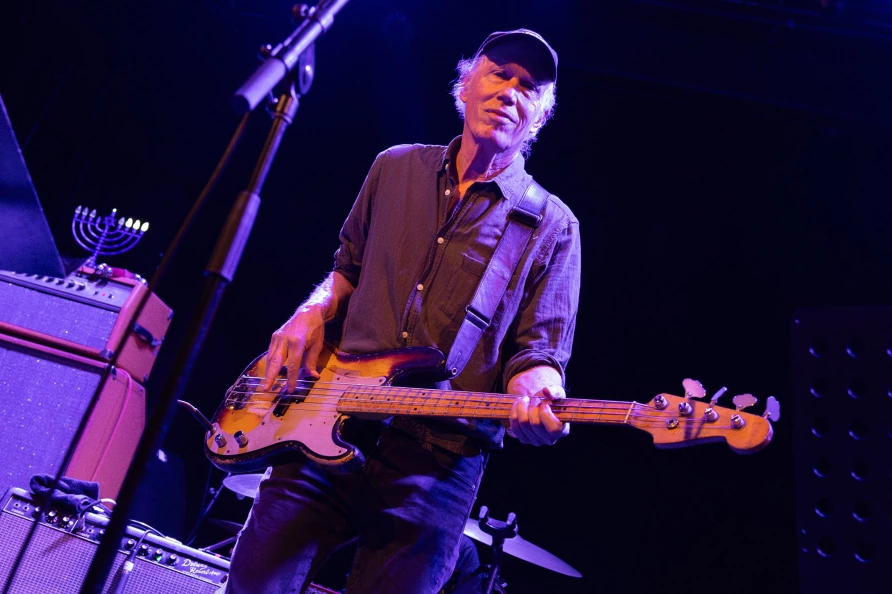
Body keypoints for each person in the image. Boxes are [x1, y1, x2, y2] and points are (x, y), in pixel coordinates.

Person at [222, 28, 581, 594]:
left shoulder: (553, 225)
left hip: (438, 461)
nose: (510, 91)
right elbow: (347, 268)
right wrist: (310, 310)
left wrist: (540, 396)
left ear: (539, 115)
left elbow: (539, 351)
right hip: (324, 414)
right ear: (465, 85)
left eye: (529, 86)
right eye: (499, 73)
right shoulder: (393, 168)